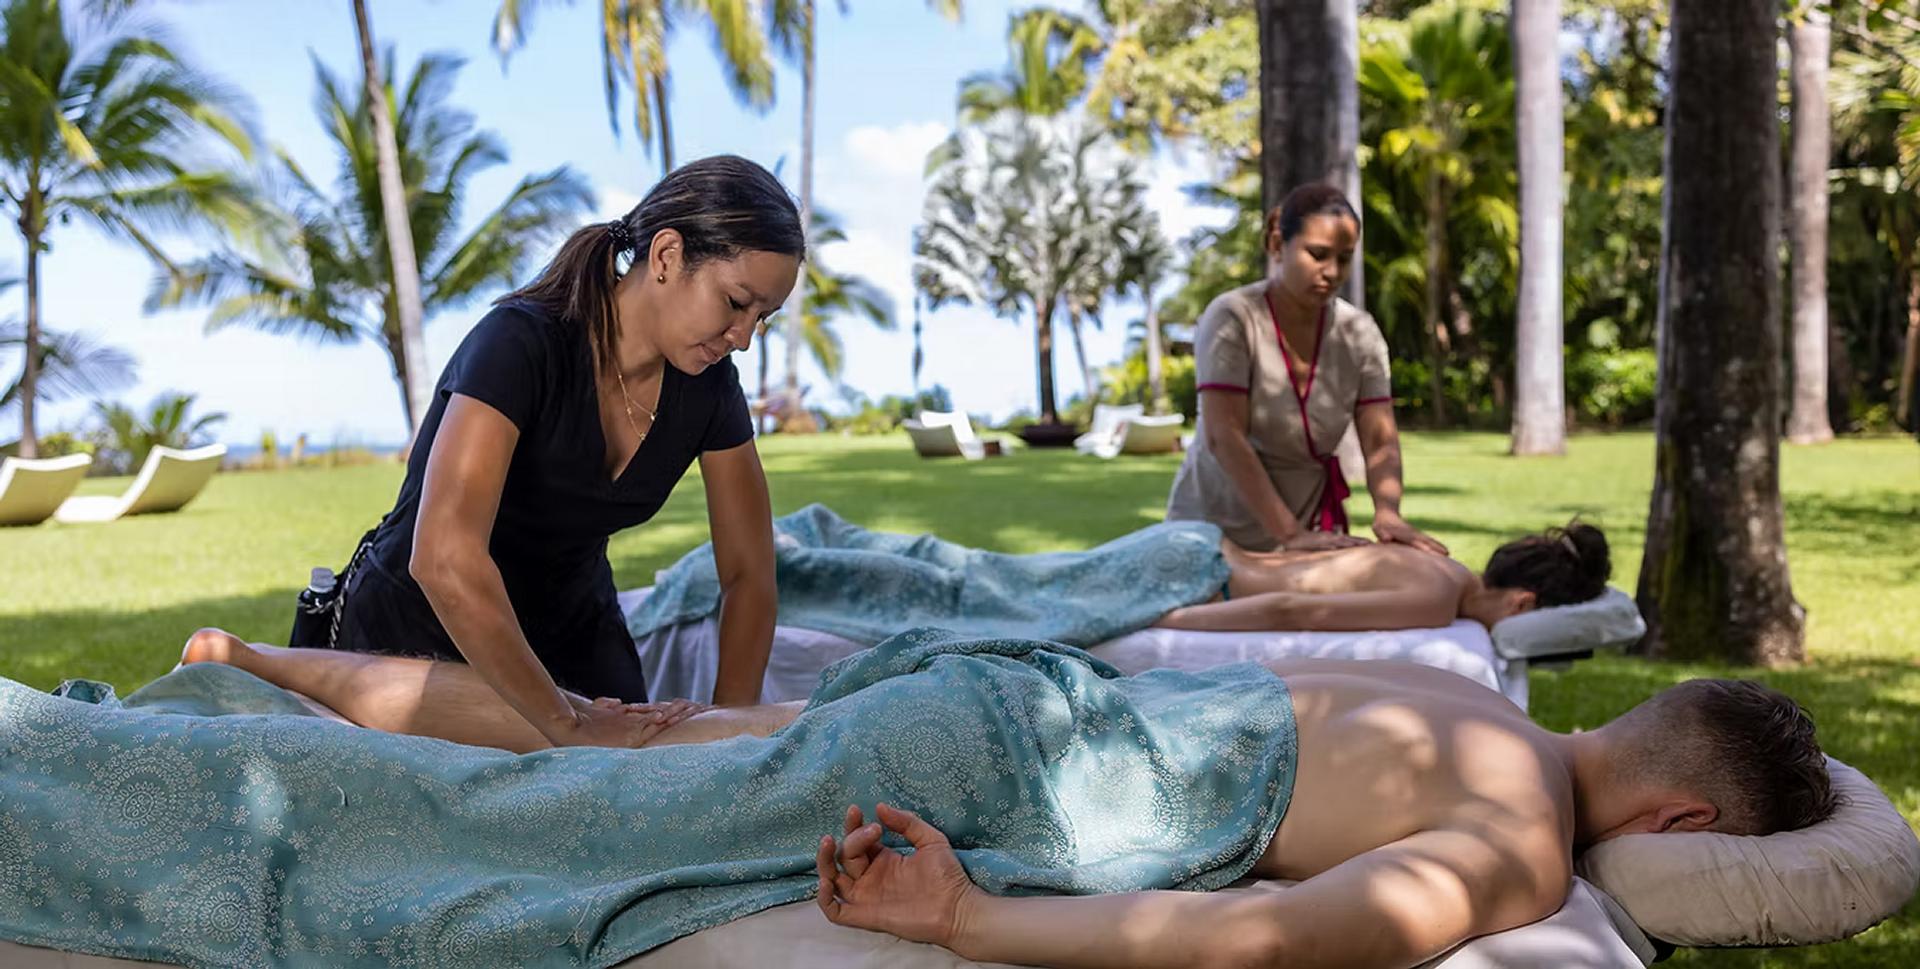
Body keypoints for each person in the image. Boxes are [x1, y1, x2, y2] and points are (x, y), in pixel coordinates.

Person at [181, 519, 1613, 751]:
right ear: (1539, 604)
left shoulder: (1427, 582)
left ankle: (258, 669)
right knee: (918, 581)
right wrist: (1139, 607)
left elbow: (1292, 584)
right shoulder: (1433, 596)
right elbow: (1278, 598)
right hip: (1171, 581)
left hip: (1180, 582)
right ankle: (259, 668)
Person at [813, 667, 1836, 969]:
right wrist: (966, 920)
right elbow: (1271, 937)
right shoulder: (1525, 850)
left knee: (670, 736)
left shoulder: (1468, 699)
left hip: (1018, 697)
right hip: (992, 779)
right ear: (1685, 820)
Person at [287, 154, 801, 749]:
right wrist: (567, 723)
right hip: (421, 627)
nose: (743, 338)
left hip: (573, 631)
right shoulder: (520, 342)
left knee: (643, 790)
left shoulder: (709, 384)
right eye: (737, 303)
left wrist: (729, 732)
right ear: (666, 257)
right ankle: (247, 656)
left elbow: (749, 574)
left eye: (764, 317)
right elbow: (444, 560)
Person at [1168, 182, 1446, 556]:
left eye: (1344, 258)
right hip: (1211, 528)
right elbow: (1224, 435)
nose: (1332, 271)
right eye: (1318, 254)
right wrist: (1290, 533)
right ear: (1277, 245)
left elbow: (1379, 437)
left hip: (1304, 532)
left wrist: (1388, 513)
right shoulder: (1233, 317)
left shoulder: (1359, 332)